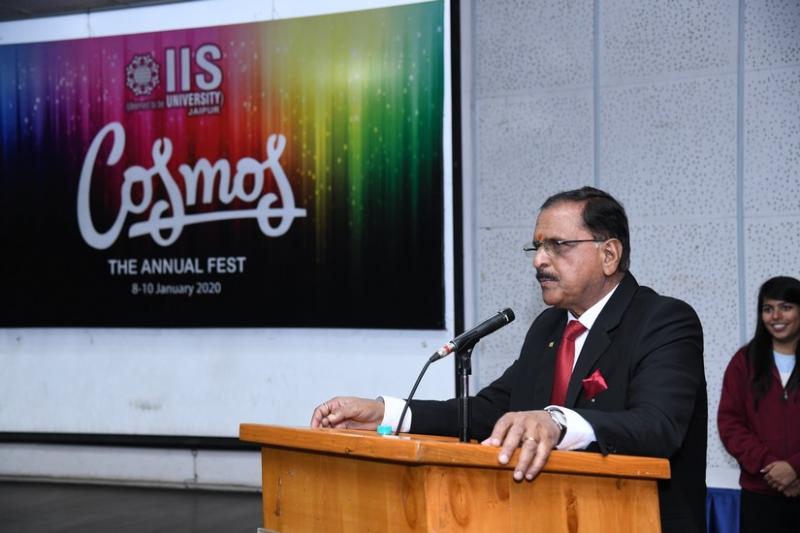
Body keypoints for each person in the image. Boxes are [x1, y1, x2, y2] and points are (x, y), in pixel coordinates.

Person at [311, 186, 707, 533]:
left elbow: (658, 427)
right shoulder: (549, 328)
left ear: (609, 254)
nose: (539, 260)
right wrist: (388, 413)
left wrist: (556, 422)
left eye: (558, 245)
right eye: (537, 247)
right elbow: (492, 411)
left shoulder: (663, 321)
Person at [718, 276, 800, 532]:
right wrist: (771, 468)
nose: (776, 316)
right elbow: (730, 424)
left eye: (786, 307)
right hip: (760, 494)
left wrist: (795, 468)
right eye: (768, 308)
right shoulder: (744, 362)